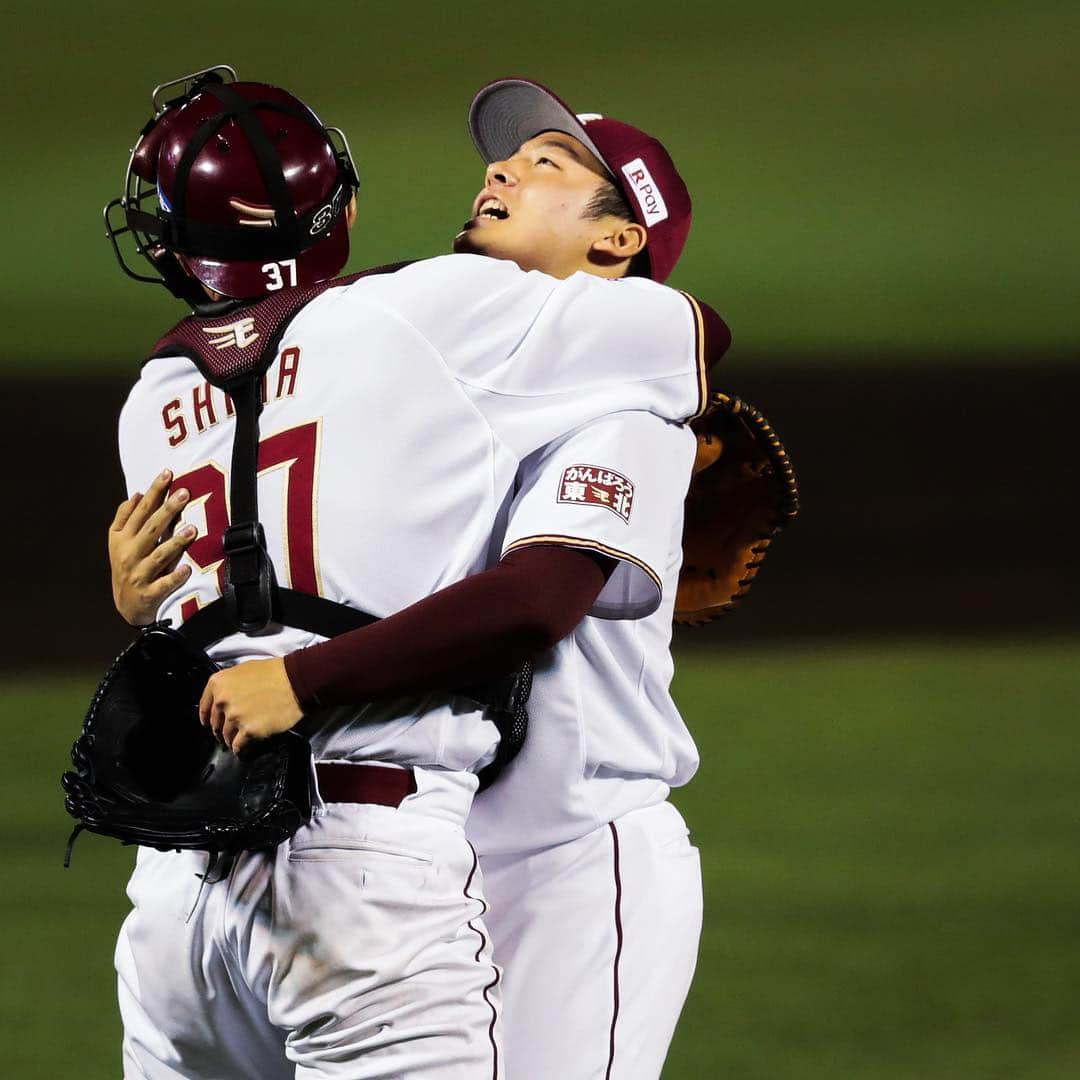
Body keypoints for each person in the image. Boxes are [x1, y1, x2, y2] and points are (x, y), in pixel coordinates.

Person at [104, 71, 719, 1079]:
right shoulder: (414, 361)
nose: (504, 166)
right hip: (418, 843)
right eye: (510, 155)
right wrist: (157, 602)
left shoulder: (625, 408)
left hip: (572, 849)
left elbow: (534, 602)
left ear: (618, 239)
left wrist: (297, 683)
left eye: (551, 163)